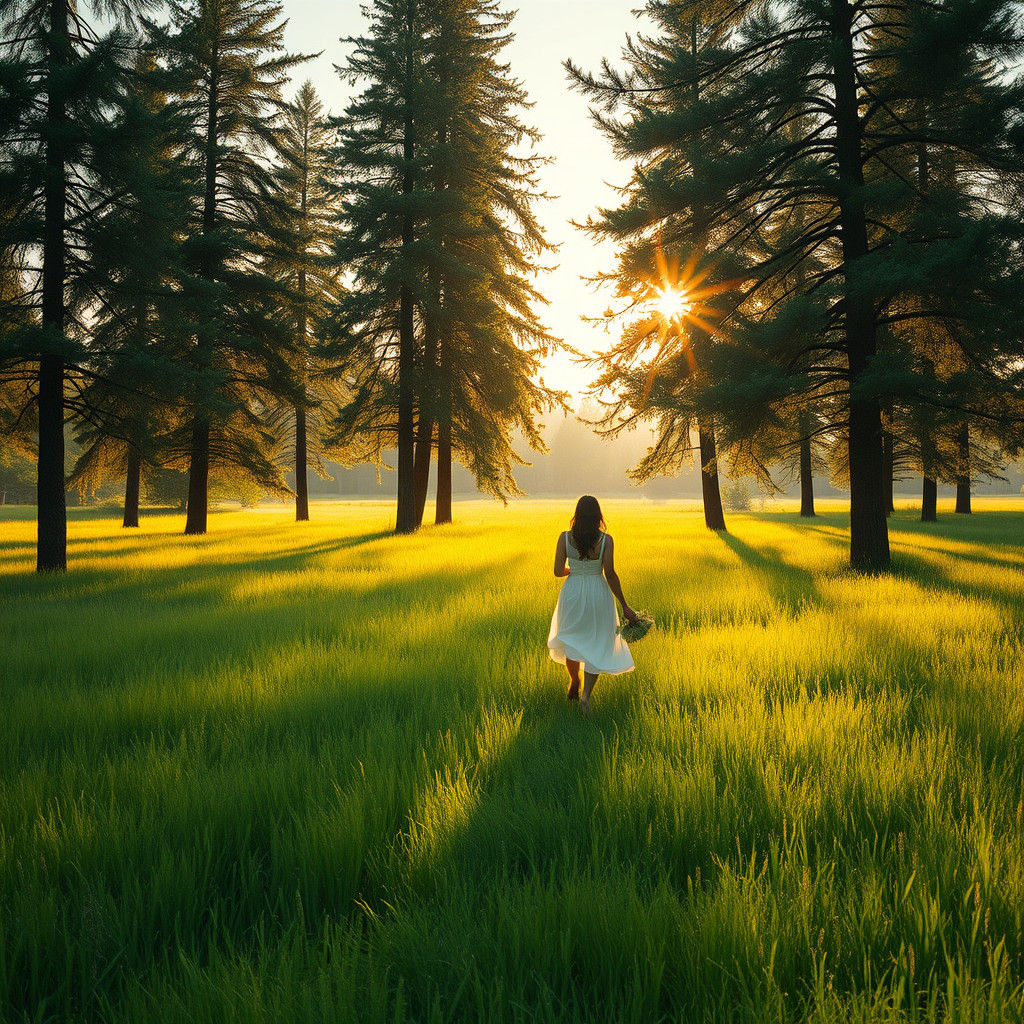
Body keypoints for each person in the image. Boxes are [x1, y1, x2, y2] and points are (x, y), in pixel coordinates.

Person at [547, 495, 638, 715]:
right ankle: (586, 696)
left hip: (573, 593)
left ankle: (574, 682)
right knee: (596, 643)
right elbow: (610, 574)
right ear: (598, 515)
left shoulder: (565, 538)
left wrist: (575, 570)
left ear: (577, 514)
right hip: (598, 593)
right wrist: (625, 606)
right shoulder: (606, 540)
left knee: (571, 638)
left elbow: (558, 571)